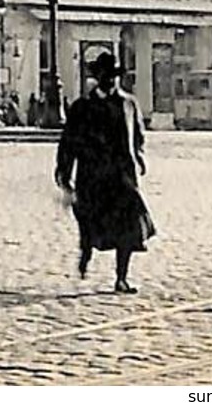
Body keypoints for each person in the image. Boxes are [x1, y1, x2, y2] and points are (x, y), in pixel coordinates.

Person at [55, 52, 156, 294]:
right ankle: (86, 251)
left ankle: (121, 278)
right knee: (91, 224)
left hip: (122, 178)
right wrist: (64, 173)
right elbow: (68, 143)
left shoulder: (129, 104)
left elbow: (138, 135)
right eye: (104, 76)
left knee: (129, 227)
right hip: (93, 179)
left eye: (112, 77)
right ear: (96, 78)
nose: (109, 81)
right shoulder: (83, 108)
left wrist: (139, 155)